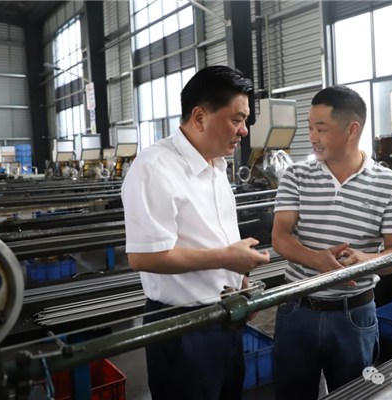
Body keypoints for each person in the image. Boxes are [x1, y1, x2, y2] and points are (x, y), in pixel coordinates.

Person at [121, 65, 271, 400]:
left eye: (245, 120)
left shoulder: (216, 164)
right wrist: (226, 258)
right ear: (200, 117)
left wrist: (239, 280)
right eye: (237, 119)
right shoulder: (154, 167)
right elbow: (144, 257)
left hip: (227, 316)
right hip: (182, 327)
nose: (244, 131)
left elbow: (213, 234)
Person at [271, 85, 392, 399]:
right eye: (310, 128)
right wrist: (317, 260)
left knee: (354, 394)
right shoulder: (296, 175)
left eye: (321, 129)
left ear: (352, 129)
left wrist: (362, 261)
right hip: (297, 310)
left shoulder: (389, 184)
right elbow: (280, 237)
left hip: (354, 315)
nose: (312, 137)